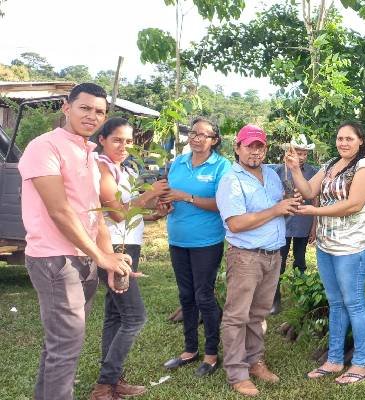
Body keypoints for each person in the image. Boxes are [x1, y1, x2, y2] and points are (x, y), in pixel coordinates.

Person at [18, 83, 134, 400]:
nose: (92, 115)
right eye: (85, 107)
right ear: (66, 107)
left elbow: (95, 216)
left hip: (82, 259)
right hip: (55, 259)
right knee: (66, 346)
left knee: (62, 343)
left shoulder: (88, 154)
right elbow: (60, 211)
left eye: (99, 111)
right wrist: (100, 255)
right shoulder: (45, 147)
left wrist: (108, 259)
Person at [285, 121, 365, 385]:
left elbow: (352, 205)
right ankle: (334, 359)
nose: (343, 143)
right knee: (336, 303)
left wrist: (314, 212)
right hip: (327, 245)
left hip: (353, 246)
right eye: (340, 138)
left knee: (355, 302)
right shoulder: (329, 165)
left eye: (349, 138)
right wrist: (294, 169)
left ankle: (360, 363)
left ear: (360, 141)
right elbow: (308, 191)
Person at [216, 125, 301, 396]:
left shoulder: (272, 176)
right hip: (245, 257)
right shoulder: (232, 179)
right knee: (237, 316)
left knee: (259, 314)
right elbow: (236, 223)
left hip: (272, 255)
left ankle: (254, 361)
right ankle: (236, 371)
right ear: (237, 148)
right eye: (249, 145)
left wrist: (288, 205)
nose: (255, 151)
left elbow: (276, 212)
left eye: (259, 146)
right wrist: (276, 209)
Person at [93, 117, 171, 398]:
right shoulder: (101, 168)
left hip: (127, 245)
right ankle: (105, 384)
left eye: (128, 141)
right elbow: (115, 214)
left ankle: (113, 380)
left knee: (115, 315)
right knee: (135, 316)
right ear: (102, 139)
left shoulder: (122, 169)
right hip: (113, 250)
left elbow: (129, 214)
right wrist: (151, 193)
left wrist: (154, 215)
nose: (124, 146)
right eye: (117, 140)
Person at [161, 117, 232, 377]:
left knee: (204, 295)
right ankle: (190, 350)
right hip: (177, 238)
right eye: (193, 133)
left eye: (204, 134)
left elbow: (223, 204)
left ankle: (212, 354)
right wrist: (165, 203)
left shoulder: (222, 166)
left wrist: (186, 197)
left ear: (214, 140)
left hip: (206, 241)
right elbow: (168, 193)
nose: (197, 138)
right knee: (186, 295)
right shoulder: (178, 163)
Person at [271, 134, 318, 315]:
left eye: (304, 153)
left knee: (300, 260)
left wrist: (314, 225)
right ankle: (274, 299)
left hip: (302, 222)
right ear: (290, 152)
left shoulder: (312, 172)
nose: (301, 156)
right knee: (279, 262)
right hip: (282, 222)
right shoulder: (278, 170)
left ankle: (301, 296)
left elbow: (315, 198)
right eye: (297, 152)